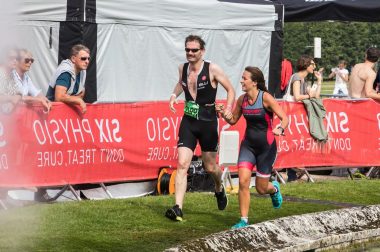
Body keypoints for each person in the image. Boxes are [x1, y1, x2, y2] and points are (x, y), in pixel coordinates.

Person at [165, 35, 235, 221]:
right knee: (182, 164)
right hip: (189, 120)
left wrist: (228, 109)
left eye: (194, 50)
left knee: (210, 167)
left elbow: (231, 90)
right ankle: (178, 208)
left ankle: (219, 189)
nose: (190, 53)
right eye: (187, 49)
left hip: (208, 121)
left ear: (202, 51)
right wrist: (173, 95)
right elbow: (182, 83)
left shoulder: (212, 68)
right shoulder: (183, 68)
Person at [216, 66, 288, 229]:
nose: (241, 80)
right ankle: (243, 220)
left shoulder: (266, 98)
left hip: (266, 148)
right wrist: (223, 113)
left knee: (262, 189)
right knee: (243, 181)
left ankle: (274, 189)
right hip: (248, 147)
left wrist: (280, 128)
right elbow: (233, 120)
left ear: (254, 82)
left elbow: (285, 118)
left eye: (244, 78)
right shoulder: (242, 100)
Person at [283, 55, 324, 182]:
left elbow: (315, 96)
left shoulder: (303, 80)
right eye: (312, 64)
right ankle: (290, 174)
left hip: (296, 117)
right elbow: (296, 96)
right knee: (291, 143)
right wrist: (308, 95)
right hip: (290, 115)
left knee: (295, 143)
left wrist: (319, 81)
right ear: (306, 65)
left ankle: (293, 173)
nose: (314, 66)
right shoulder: (296, 77)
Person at [46, 44, 89, 113]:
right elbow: (59, 97)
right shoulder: (65, 72)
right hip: (52, 111)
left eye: (88, 59)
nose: (87, 61)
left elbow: (81, 94)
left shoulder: (83, 71)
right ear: (73, 59)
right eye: (83, 58)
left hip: (66, 112)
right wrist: (77, 100)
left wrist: (75, 99)